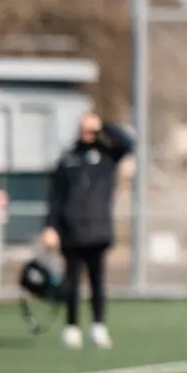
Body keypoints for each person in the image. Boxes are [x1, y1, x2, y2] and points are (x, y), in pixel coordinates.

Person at [43, 110, 136, 351]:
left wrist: (103, 125)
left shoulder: (107, 155)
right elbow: (56, 197)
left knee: (97, 282)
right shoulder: (68, 158)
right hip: (71, 230)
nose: (87, 133)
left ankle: (98, 326)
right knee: (71, 282)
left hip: (97, 230)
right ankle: (72, 327)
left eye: (91, 129)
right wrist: (50, 227)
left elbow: (128, 143)